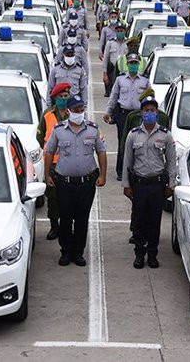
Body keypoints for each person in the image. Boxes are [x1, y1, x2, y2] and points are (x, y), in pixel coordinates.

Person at [44, 95, 107, 267]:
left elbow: (101, 152)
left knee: (81, 219)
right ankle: (66, 251)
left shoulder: (93, 129)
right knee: (65, 219)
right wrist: (47, 175)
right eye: (76, 111)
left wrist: (102, 175)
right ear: (69, 111)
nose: (80, 113)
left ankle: (78, 252)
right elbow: (49, 152)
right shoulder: (58, 130)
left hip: (86, 183)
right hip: (64, 183)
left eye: (82, 110)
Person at [122, 95, 176, 269]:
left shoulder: (165, 135)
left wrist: (171, 185)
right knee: (139, 221)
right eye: (147, 110)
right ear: (141, 113)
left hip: (157, 185)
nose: (150, 113)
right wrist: (126, 185)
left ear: (157, 113)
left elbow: (171, 161)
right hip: (139, 185)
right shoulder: (133, 135)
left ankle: (152, 254)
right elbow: (127, 162)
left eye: (153, 110)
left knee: (154, 221)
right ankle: (139, 253)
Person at [104, 53, 149, 181]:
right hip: (123, 115)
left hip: (138, 116)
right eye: (131, 63)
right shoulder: (120, 79)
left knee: (139, 142)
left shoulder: (145, 81)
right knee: (123, 143)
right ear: (127, 64)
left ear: (138, 64)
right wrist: (108, 112)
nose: (133, 65)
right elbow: (114, 97)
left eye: (135, 63)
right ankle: (121, 171)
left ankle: (136, 169)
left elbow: (150, 98)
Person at [36, 82, 71, 241]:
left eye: (66, 96)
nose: (64, 99)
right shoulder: (47, 115)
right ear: (55, 98)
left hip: (69, 164)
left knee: (67, 198)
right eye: (61, 97)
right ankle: (54, 226)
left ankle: (66, 226)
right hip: (52, 164)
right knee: (53, 197)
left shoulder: (73, 114)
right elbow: (40, 138)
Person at [102, 23, 128, 97]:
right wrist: (105, 74)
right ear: (115, 32)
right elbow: (106, 59)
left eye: (121, 31)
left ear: (125, 31)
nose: (120, 32)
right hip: (113, 71)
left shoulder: (128, 43)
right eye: (118, 31)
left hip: (124, 71)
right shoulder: (110, 43)